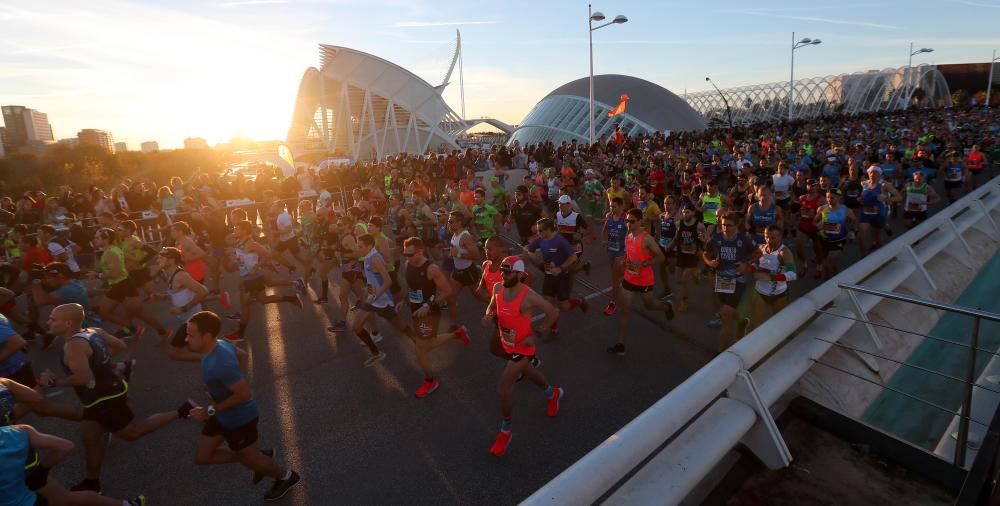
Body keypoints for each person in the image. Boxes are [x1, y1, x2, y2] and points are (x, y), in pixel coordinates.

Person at [40, 303, 182, 493]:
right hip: (107, 392)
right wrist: (100, 364)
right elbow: (120, 345)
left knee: (132, 433)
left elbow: (84, 378)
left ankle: (182, 411)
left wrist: (53, 382)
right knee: (90, 439)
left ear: (67, 323)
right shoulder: (93, 331)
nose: (48, 322)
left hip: (104, 399)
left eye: (53, 319)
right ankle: (92, 483)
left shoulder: (73, 346)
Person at [179, 311, 301, 501]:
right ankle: (254, 458)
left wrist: (208, 410)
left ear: (207, 336)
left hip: (239, 420)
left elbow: (244, 394)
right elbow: (243, 355)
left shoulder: (220, 362)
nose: (187, 339)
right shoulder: (218, 345)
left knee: (250, 459)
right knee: (203, 457)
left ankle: (286, 476)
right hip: (221, 415)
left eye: (191, 335)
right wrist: (233, 381)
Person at [482, 256, 562, 457]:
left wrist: (537, 334)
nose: (503, 274)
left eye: (507, 271)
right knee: (531, 374)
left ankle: (505, 430)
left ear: (519, 274)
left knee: (503, 387)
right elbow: (492, 307)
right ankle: (553, 394)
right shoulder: (498, 288)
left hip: (522, 349)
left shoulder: (529, 296)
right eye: (502, 270)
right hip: (507, 343)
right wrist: (489, 314)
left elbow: (553, 313)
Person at [0, 424, 147, 506]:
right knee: (67, 497)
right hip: (31, 494)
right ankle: (127, 504)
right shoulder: (18, 431)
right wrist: (42, 469)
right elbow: (66, 446)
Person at [401, 237, 469, 398]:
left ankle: (431, 380)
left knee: (420, 348)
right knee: (428, 343)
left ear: (420, 251)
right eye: (405, 254)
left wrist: (428, 305)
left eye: (410, 254)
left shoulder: (431, 269)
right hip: (415, 310)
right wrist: (404, 300)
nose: (407, 257)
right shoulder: (407, 264)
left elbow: (447, 291)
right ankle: (457, 334)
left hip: (430, 313)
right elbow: (411, 286)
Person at [606, 209, 675, 356]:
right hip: (629, 278)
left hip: (644, 280)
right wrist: (625, 260)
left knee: (649, 305)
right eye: (627, 221)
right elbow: (629, 253)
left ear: (640, 221)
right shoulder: (628, 236)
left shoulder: (647, 239)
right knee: (624, 310)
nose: (628, 224)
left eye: (631, 221)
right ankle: (620, 345)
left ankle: (667, 307)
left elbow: (661, 258)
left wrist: (642, 265)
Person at [223, 221, 303, 343]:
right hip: (247, 277)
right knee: (262, 300)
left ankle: (240, 333)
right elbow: (239, 253)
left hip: (253, 278)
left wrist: (258, 265)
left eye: (237, 228)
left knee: (245, 306)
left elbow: (267, 255)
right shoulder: (239, 242)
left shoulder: (252, 244)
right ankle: (292, 298)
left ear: (244, 230)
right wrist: (236, 261)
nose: (234, 230)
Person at [89, 227, 167, 341]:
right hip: (118, 285)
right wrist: (125, 269)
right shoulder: (114, 249)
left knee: (139, 312)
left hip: (123, 285)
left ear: (105, 239)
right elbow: (133, 259)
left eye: (97, 238)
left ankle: (163, 332)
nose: (95, 240)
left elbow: (115, 272)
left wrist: (97, 275)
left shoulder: (110, 253)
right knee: (104, 312)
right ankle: (132, 329)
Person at [524, 218, 587, 337]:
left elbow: (573, 257)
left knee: (564, 306)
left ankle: (579, 301)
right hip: (549, 277)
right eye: (537, 230)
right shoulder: (541, 239)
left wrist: (560, 268)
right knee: (548, 305)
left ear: (548, 230)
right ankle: (554, 328)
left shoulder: (560, 241)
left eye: (540, 230)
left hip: (562, 277)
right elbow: (529, 247)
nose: (538, 233)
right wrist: (527, 250)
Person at [703, 212, 755, 351]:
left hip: (739, 280)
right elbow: (705, 254)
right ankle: (741, 323)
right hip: (723, 279)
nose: (725, 227)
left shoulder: (744, 240)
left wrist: (747, 265)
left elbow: (759, 253)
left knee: (725, 315)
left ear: (737, 225)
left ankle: (721, 352)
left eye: (729, 225)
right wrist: (710, 262)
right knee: (726, 309)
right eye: (723, 224)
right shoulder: (716, 239)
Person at [156, 247, 211, 361]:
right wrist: (163, 296)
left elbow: (203, 291)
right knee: (197, 348)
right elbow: (178, 293)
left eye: (161, 258)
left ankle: (216, 360)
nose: (158, 260)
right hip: (187, 320)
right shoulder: (171, 275)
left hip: (193, 320)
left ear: (171, 260)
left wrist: (184, 308)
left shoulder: (181, 276)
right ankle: (216, 361)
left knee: (173, 353)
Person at [31, 261, 101, 349]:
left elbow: (40, 301)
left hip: (82, 330)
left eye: (49, 277)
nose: (47, 280)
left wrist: (35, 282)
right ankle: (52, 333)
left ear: (61, 276)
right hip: (90, 323)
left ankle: (52, 333)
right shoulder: (76, 282)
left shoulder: (67, 290)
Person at [749, 224, 797, 329]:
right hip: (760, 293)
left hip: (779, 294)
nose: (768, 240)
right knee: (755, 327)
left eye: (772, 238)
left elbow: (792, 275)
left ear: (780, 237)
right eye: (766, 236)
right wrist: (751, 268)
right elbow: (754, 264)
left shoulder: (784, 252)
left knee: (779, 325)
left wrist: (771, 278)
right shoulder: (761, 248)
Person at [445, 212, 481, 323]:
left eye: (451, 221)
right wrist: (452, 253)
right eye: (448, 221)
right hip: (457, 272)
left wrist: (458, 255)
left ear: (459, 223)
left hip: (468, 272)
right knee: (450, 298)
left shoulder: (465, 236)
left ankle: (497, 308)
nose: (449, 223)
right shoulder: (454, 233)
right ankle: (453, 327)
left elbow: (476, 255)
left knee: (480, 297)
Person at [816, 189, 858, 278]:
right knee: (831, 263)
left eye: (832, 197)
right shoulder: (822, 208)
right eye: (827, 197)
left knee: (828, 263)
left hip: (839, 240)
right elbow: (814, 222)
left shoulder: (846, 210)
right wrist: (818, 226)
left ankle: (829, 284)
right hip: (824, 239)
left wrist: (852, 231)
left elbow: (854, 221)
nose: (829, 199)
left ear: (839, 198)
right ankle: (836, 278)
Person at [601, 196, 627, 315]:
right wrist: (603, 240)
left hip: (621, 252)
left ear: (621, 206)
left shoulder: (626, 219)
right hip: (611, 250)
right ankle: (630, 278)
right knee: (619, 274)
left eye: (614, 206)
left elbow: (633, 234)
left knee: (614, 278)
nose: (611, 208)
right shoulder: (609, 216)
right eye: (611, 206)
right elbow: (605, 229)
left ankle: (613, 303)